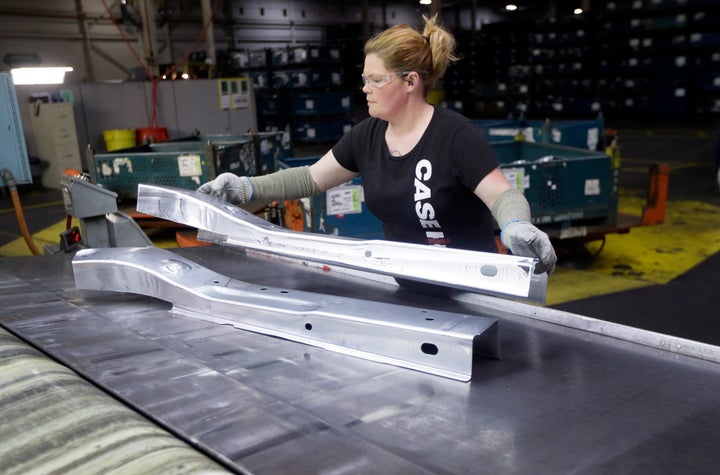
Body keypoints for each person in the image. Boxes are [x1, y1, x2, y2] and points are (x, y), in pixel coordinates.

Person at [198, 14, 557, 291]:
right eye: (365, 78)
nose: (365, 89)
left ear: (411, 81)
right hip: (408, 285)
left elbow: (502, 195)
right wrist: (244, 188)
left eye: (376, 79)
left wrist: (516, 226)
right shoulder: (366, 137)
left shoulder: (456, 137)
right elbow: (309, 178)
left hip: (473, 288)